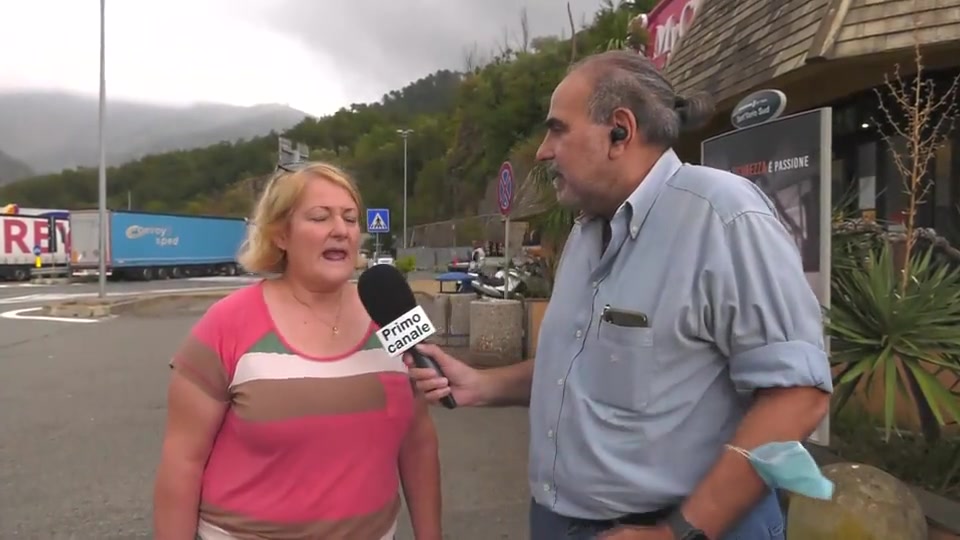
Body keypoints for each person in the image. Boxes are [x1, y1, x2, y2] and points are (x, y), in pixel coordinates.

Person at [406, 50, 831, 540]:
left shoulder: (724, 217)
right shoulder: (587, 232)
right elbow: (584, 368)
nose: (543, 151)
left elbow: (798, 396)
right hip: (558, 522)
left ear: (620, 131)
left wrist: (680, 532)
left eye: (558, 129)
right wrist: (483, 386)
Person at [153, 162, 443, 540]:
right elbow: (182, 461)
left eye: (351, 219)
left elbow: (418, 442)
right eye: (320, 217)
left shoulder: (391, 314)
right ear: (281, 235)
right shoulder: (227, 323)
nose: (340, 230)